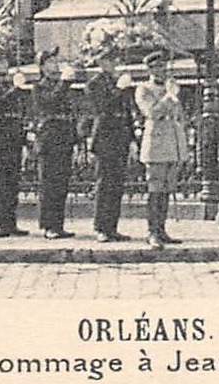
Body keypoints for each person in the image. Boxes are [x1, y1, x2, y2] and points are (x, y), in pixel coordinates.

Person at [135, 50, 188, 250]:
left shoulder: (169, 88)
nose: (161, 70)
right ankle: (152, 232)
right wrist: (169, 96)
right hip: (156, 145)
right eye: (156, 67)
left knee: (167, 189)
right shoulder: (144, 89)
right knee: (155, 189)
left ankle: (162, 229)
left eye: (163, 67)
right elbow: (151, 112)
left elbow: (179, 116)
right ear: (149, 69)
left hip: (172, 145)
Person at [84, 47, 135, 242]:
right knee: (104, 183)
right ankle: (101, 227)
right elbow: (102, 107)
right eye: (108, 59)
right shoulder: (94, 84)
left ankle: (112, 226)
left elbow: (127, 112)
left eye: (114, 59)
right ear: (101, 62)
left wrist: (131, 139)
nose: (113, 63)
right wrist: (119, 90)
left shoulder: (118, 81)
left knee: (117, 184)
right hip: (105, 136)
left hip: (120, 136)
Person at [31, 50, 78, 239]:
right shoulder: (39, 87)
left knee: (61, 184)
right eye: (50, 61)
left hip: (64, 136)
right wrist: (64, 83)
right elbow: (49, 103)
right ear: (42, 66)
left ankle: (58, 224)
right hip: (50, 138)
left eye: (55, 61)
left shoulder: (60, 85)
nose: (55, 64)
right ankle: (48, 225)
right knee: (49, 184)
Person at [0, 55, 30, 237]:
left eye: (5, 63)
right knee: (0, 182)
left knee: (12, 183)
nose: (5, 66)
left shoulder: (12, 87)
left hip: (14, 138)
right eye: (0, 62)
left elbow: (21, 111)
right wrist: (15, 89)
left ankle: (11, 222)